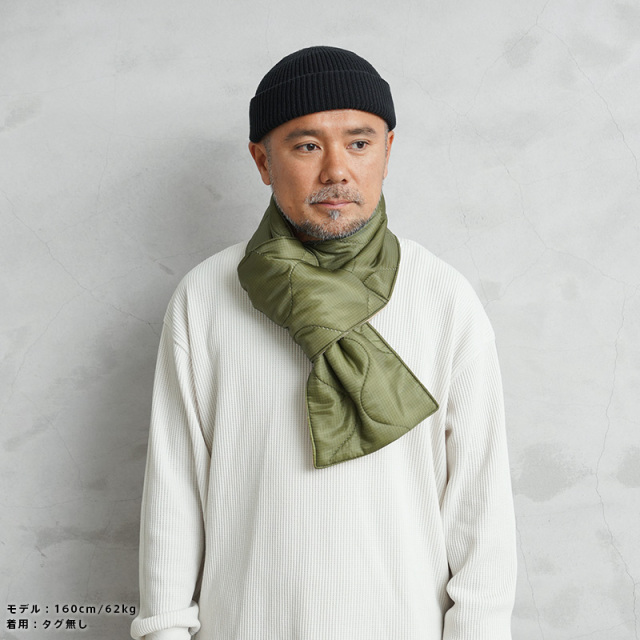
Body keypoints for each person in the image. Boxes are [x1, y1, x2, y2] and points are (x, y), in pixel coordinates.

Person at [130, 46, 517, 640]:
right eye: (307, 146)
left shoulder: (444, 298)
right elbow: (173, 494)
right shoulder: (205, 298)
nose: (337, 170)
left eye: (359, 143)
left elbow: (480, 512)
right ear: (262, 160)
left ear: (388, 151)